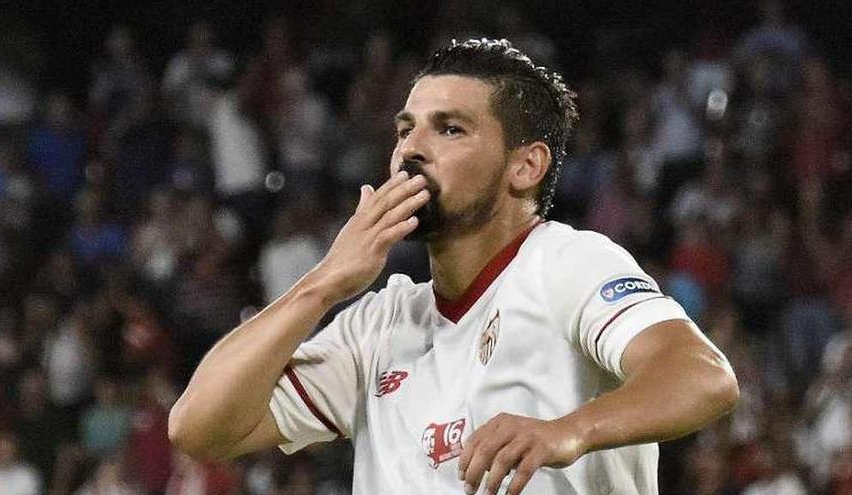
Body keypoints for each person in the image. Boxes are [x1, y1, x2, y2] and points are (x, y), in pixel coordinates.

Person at [169, 38, 739, 494]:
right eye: (405, 129)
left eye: (449, 129)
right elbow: (199, 429)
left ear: (525, 167)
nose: (411, 149)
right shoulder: (379, 323)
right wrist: (322, 285)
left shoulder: (564, 263)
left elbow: (703, 376)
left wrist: (568, 432)